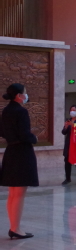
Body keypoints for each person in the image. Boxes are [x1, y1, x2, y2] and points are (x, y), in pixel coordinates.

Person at [0, 83, 38, 239]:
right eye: (25, 93)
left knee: (13, 193)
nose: (26, 95)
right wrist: (34, 138)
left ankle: (13, 227)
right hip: (22, 153)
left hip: (11, 152)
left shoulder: (6, 110)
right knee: (19, 194)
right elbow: (25, 134)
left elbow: (3, 132)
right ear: (18, 96)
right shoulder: (21, 111)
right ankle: (15, 228)